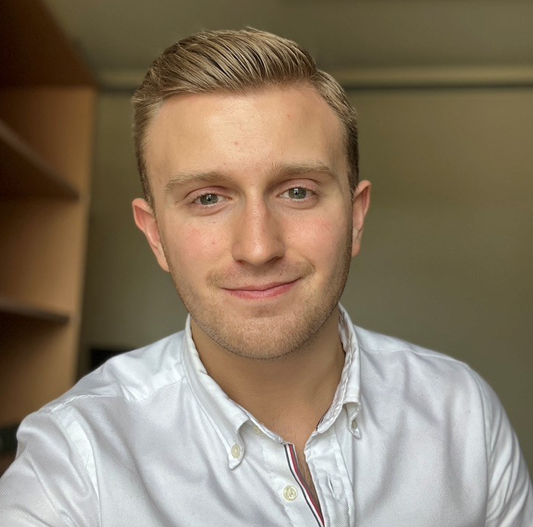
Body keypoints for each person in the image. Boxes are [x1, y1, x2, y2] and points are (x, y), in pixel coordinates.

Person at [0, 28, 531, 526]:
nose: (257, 248)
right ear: (155, 234)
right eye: (208, 198)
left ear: (355, 217)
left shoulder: (462, 411)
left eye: (297, 191)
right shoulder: (73, 461)